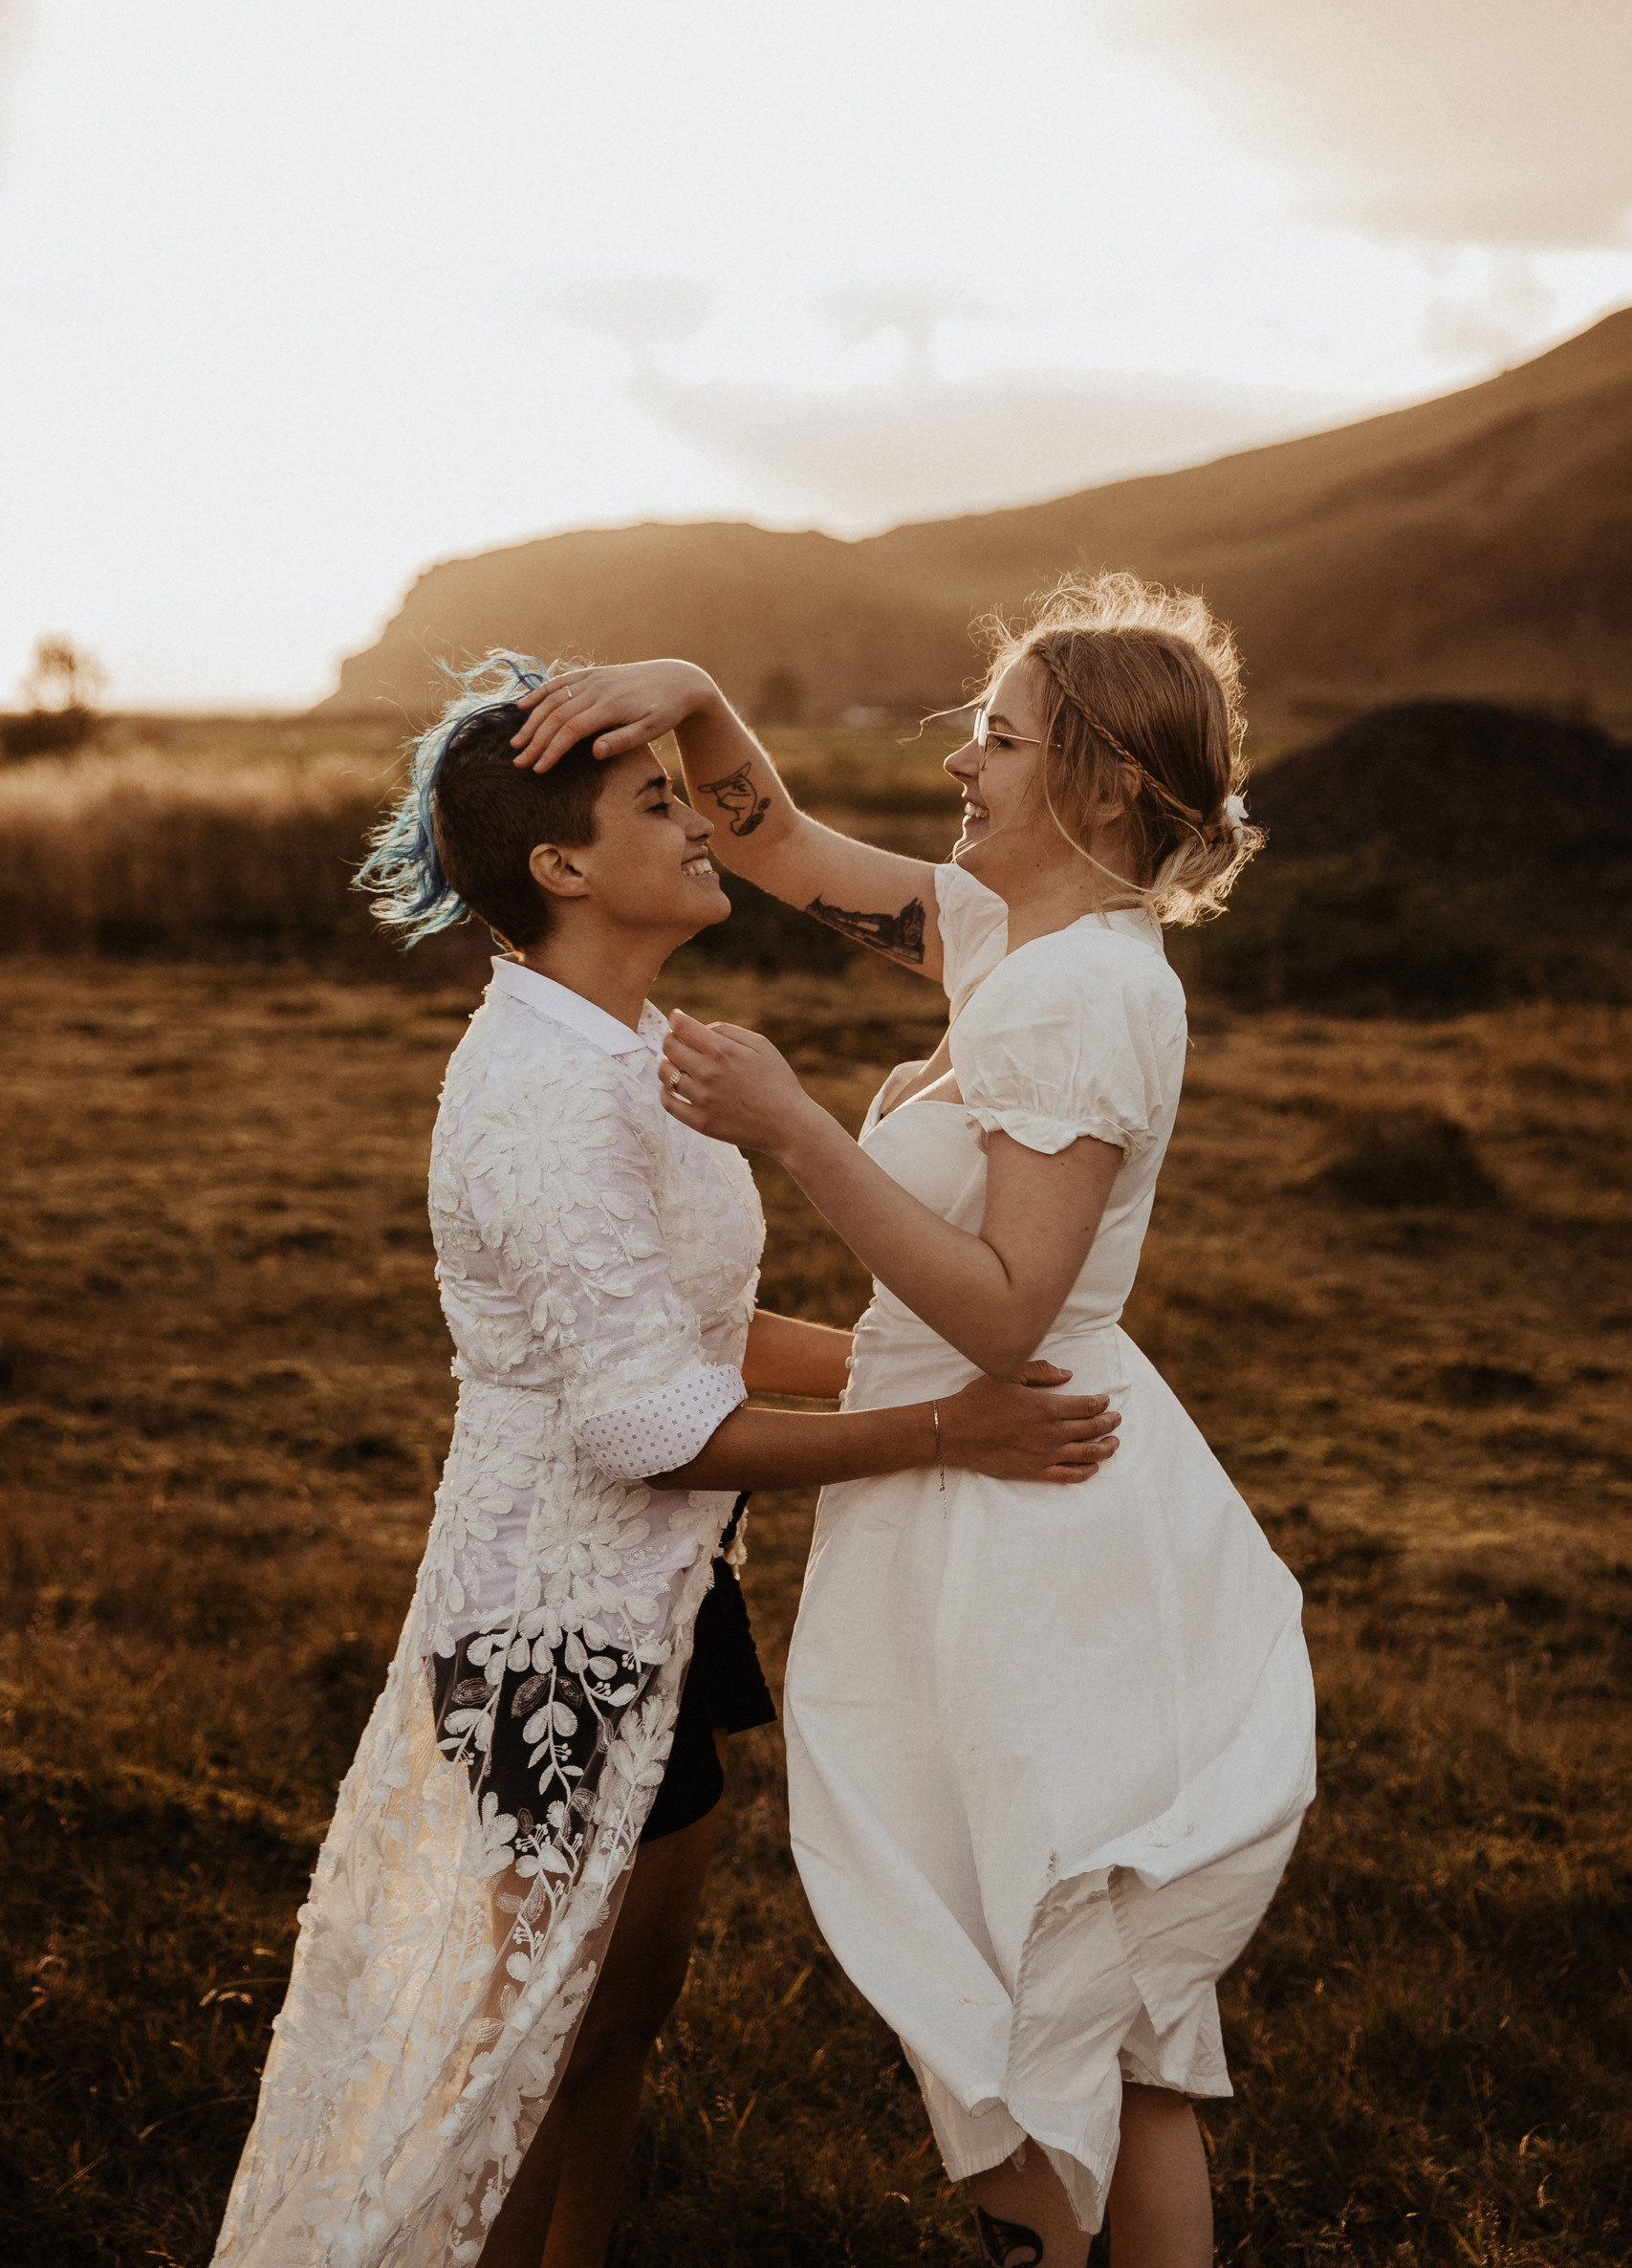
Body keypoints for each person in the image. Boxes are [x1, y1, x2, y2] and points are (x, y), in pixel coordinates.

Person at [210, 656, 1121, 2268]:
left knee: (619, 2024)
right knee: (516, 2054)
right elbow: (652, 1430)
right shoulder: (545, 1100)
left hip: (667, 1607)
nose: (699, 823)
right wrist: (938, 1430)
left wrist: (940, 1362)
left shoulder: (640, 1047)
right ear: (563, 868)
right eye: (656, 806)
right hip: (544, 1634)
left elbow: (700, 1327)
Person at [508, 574, 1318, 2268]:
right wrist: (695, 687)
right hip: (1013, 1497)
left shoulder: (1087, 995)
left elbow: (1006, 1307)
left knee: (1027, 1968)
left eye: (1000, 739)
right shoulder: (1015, 937)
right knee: (1103, 2017)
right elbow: (787, 847)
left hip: (1030, 1511)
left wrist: (801, 1130)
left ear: (1098, 789)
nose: (963, 762)